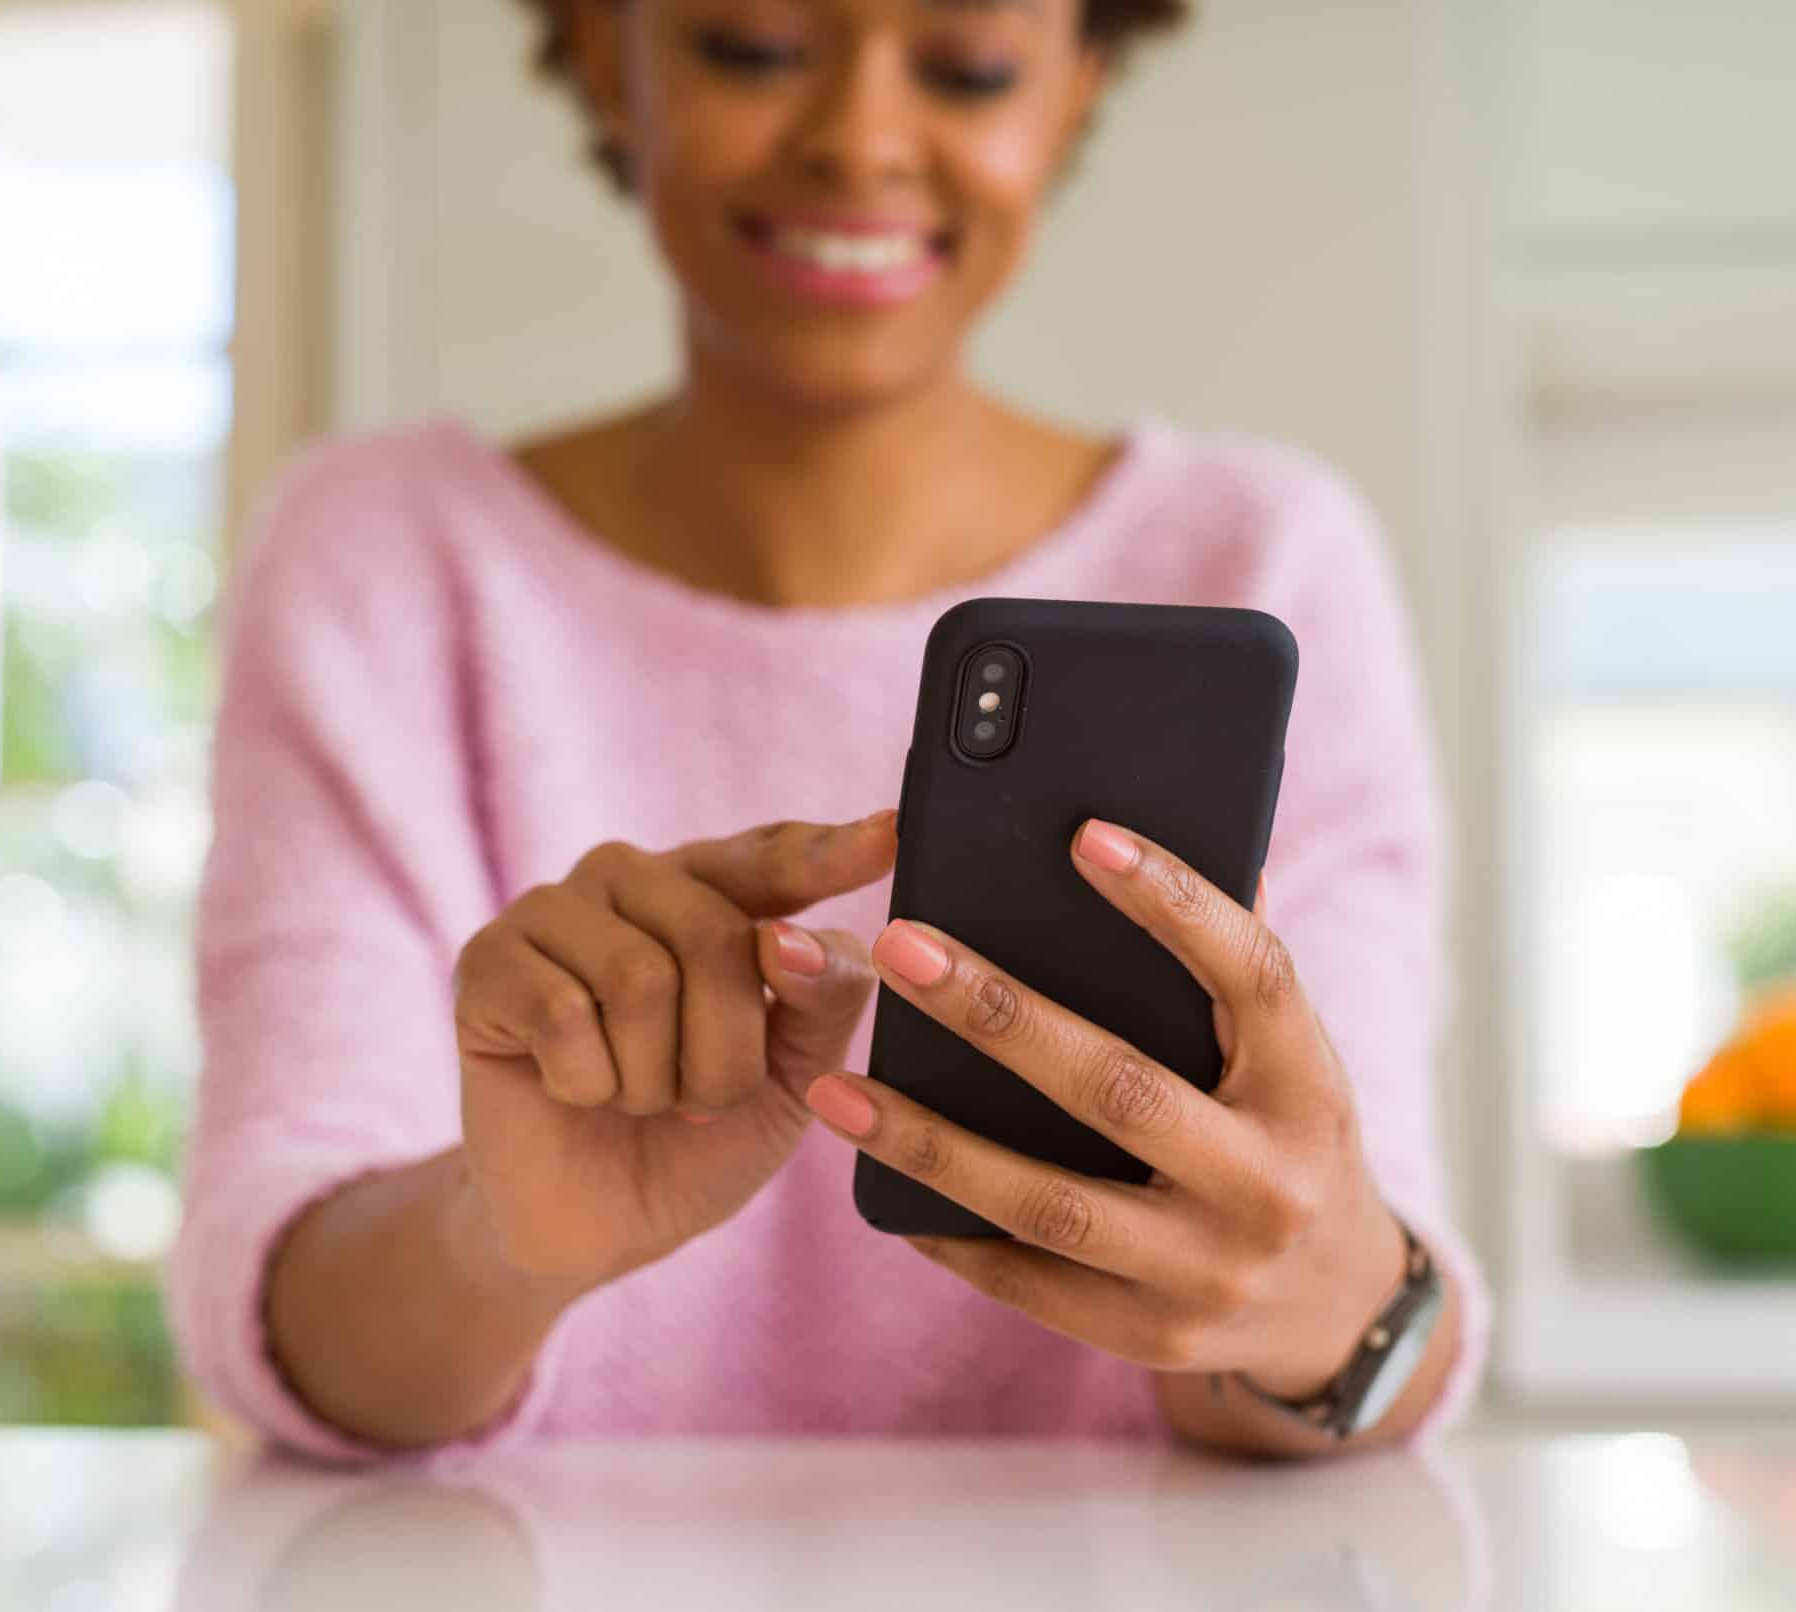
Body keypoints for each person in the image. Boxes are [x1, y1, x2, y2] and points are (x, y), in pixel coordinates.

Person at [172, 0, 1485, 1464]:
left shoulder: (1265, 559)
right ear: (613, 65)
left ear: (1073, 91)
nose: (859, 141)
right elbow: (288, 1295)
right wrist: (501, 1242)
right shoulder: (383, 560)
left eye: (970, 67)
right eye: (752, 44)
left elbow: (1368, 1305)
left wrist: (1318, 1302)